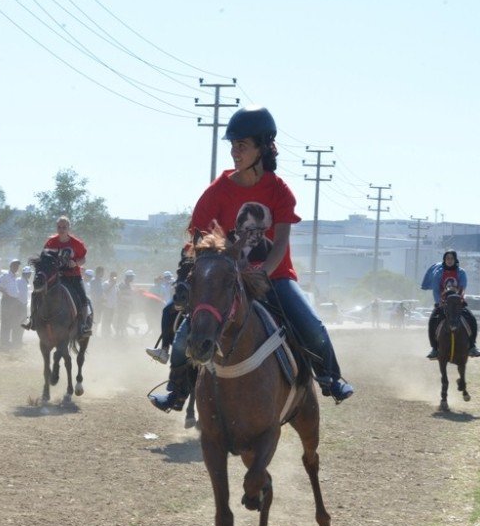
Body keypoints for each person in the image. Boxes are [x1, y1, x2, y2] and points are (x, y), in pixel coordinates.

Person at [150, 105, 353, 412]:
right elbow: (194, 239)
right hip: (226, 280)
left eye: (242, 146)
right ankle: (177, 390)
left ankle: (331, 378)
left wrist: (262, 273)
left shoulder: (280, 191)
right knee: (183, 336)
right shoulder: (217, 191)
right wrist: (190, 269)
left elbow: (280, 242)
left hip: (275, 277)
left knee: (312, 326)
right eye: (233, 146)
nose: (235, 152)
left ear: (263, 147)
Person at [24, 216, 92, 336]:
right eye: (59, 227)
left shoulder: (77, 243)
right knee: (36, 293)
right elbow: (44, 258)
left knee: (83, 298)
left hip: (73, 276)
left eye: (64, 227)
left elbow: (83, 259)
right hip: (55, 277)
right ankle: (32, 320)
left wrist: (75, 263)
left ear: (68, 228)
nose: (61, 229)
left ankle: (83, 326)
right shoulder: (51, 242)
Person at [420, 250, 480, 358]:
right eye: (447, 258)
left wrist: (459, 300)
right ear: (444, 260)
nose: (449, 261)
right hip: (443, 303)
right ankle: (434, 349)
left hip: (457, 302)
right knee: (432, 321)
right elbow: (435, 289)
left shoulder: (461, 272)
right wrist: (439, 302)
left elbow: (462, 288)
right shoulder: (439, 273)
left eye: (451, 258)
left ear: (455, 260)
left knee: (472, 319)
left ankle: (472, 347)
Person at [0, 259, 22, 347]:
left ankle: (7, 341)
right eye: (15, 265)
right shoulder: (5, 275)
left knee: (12, 321)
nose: (16, 267)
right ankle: (4, 341)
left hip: (14, 301)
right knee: (6, 321)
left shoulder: (15, 276)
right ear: (11, 266)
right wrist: (5, 293)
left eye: (17, 266)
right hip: (7, 300)